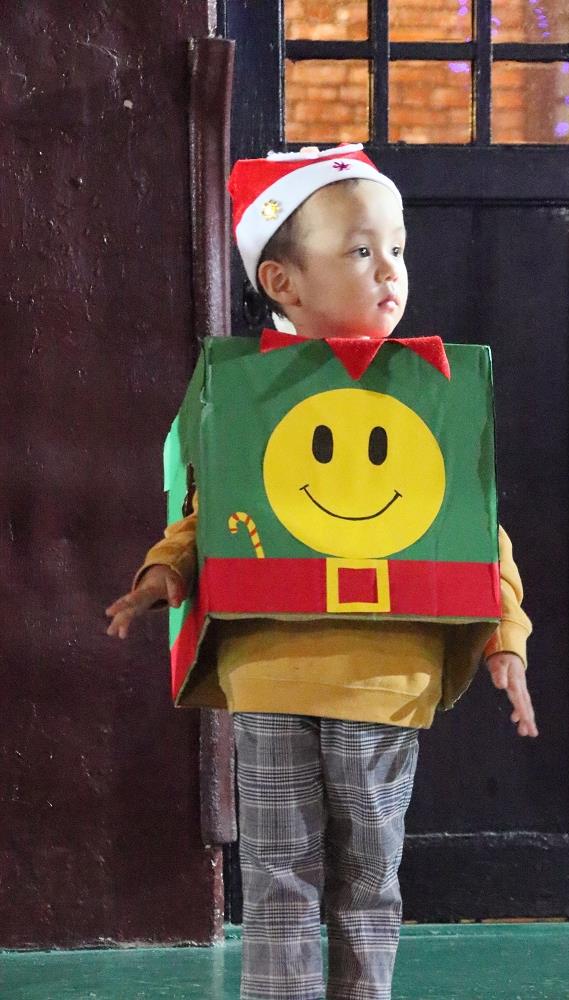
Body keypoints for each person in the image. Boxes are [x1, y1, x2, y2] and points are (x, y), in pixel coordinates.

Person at [106, 144, 537, 1000]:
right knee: (278, 876)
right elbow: (212, 511)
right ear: (283, 282)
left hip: (384, 680)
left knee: (369, 878)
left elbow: (471, 529)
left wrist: (506, 642)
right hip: (270, 671)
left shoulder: (428, 395)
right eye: (361, 250)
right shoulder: (251, 398)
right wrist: (165, 572)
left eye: (398, 249)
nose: (390, 270)